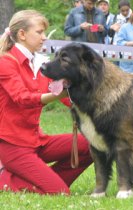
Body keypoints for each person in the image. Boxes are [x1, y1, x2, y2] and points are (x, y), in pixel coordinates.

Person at [0, 10, 92, 195]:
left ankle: (41, 181)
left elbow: (67, 98)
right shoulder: (5, 62)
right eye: (39, 32)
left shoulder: (41, 63)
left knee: (93, 144)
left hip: (37, 141)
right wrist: (58, 95)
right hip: (13, 146)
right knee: (61, 193)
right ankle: (5, 181)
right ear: (22, 34)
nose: (44, 38)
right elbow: (22, 98)